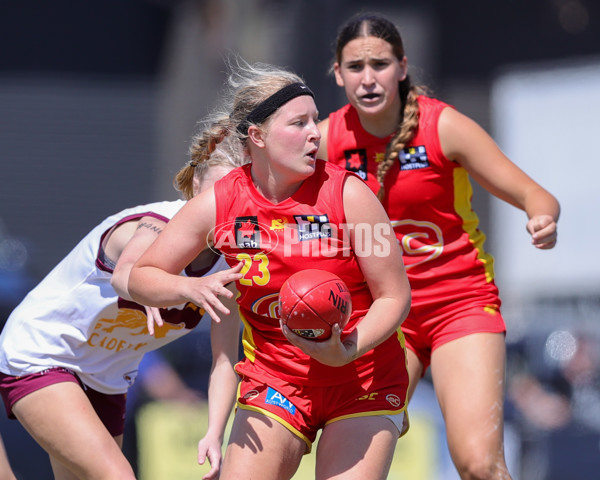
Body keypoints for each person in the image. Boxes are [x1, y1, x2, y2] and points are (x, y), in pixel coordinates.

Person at [128, 58, 413, 480]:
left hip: (363, 377)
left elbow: (395, 296)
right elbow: (141, 277)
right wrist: (191, 288)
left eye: (315, 121)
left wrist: (346, 348)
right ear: (257, 135)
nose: (315, 133)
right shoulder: (220, 202)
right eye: (298, 123)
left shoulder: (348, 194)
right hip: (278, 381)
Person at [317, 12, 560, 480]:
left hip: (459, 304)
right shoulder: (326, 138)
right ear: (337, 73)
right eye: (355, 67)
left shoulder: (442, 125)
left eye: (380, 64)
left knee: (477, 463)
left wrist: (542, 217)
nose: (368, 79)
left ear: (402, 68)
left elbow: (534, 193)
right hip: (383, 315)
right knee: (351, 466)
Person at [0, 138, 246, 480]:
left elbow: (224, 360)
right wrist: (172, 288)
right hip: (43, 353)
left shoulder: (230, 263)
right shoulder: (155, 224)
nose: (223, 206)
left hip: (107, 380)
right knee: (118, 476)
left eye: (237, 194)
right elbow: (126, 275)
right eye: (215, 194)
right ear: (195, 187)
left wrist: (215, 433)